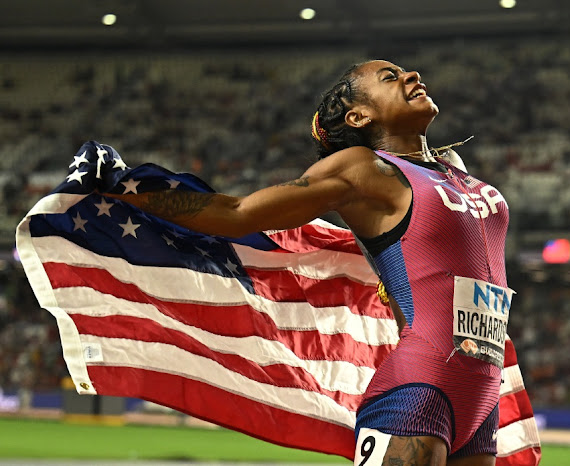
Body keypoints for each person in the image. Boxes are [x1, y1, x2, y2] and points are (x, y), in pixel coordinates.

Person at [108, 60, 517, 466]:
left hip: (480, 393)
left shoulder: (455, 170)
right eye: (390, 77)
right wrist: (126, 189)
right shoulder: (363, 168)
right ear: (359, 116)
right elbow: (237, 212)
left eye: (406, 72)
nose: (412, 76)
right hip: (421, 386)